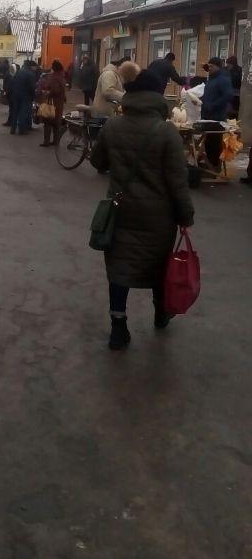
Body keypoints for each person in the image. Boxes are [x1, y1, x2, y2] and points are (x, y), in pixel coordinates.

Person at [90, 69, 195, 350]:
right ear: (157, 97)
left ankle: (118, 328)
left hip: (120, 210)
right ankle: (161, 314)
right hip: (158, 218)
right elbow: (178, 182)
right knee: (159, 267)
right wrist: (186, 215)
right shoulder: (166, 132)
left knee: (119, 269)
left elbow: (97, 162)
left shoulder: (113, 126)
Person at [201, 57, 233, 170]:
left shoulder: (223, 79)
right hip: (207, 117)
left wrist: (213, 105)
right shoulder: (211, 80)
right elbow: (209, 95)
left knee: (214, 143)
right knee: (208, 143)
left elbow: (228, 95)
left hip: (217, 118)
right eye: (208, 66)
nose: (209, 68)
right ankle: (210, 165)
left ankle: (215, 166)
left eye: (211, 66)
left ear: (218, 66)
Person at [38, 60, 66, 146]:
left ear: (54, 68)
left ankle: (46, 142)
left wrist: (47, 92)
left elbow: (55, 90)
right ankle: (56, 141)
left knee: (48, 122)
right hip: (59, 103)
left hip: (52, 103)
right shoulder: (61, 76)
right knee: (56, 123)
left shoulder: (54, 77)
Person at [8, 60, 36, 135]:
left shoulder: (18, 72)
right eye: (34, 67)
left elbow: (12, 82)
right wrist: (33, 96)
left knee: (15, 112)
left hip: (16, 95)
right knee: (23, 113)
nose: (35, 68)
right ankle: (21, 130)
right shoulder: (30, 74)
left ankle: (13, 129)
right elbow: (32, 87)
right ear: (31, 66)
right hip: (25, 96)